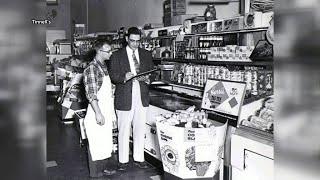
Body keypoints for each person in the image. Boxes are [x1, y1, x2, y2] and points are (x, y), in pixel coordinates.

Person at [109, 27, 155, 170]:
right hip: (124, 94)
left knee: (140, 128)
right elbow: (113, 75)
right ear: (127, 39)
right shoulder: (117, 55)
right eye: (132, 41)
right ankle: (123, 161)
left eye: (138, 41)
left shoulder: (146, 54)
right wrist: (124, 77)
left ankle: (139, 158)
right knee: (123, 128)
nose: (135, 44)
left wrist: (149, 79)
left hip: (141, 93)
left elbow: (153, 72)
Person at [83, 41, 117, 178]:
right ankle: (95, 174)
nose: (111, 53)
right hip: (96, 111)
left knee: (105, 142)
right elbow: (91, 94)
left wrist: (112, 116)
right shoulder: (92, 69)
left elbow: (108, 92)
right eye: (108, 51)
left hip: (106, 110)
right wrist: (98, 113)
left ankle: (103, 169)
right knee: (95, 142)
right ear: (99, 52)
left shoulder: (103, 67)